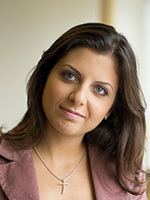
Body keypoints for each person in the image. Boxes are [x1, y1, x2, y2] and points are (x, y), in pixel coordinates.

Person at [0, 22, 147, 200]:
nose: (78, 98)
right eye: (69, 76)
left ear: (112, 107)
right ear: (45, 76)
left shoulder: (128, 177)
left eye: (100, 89)